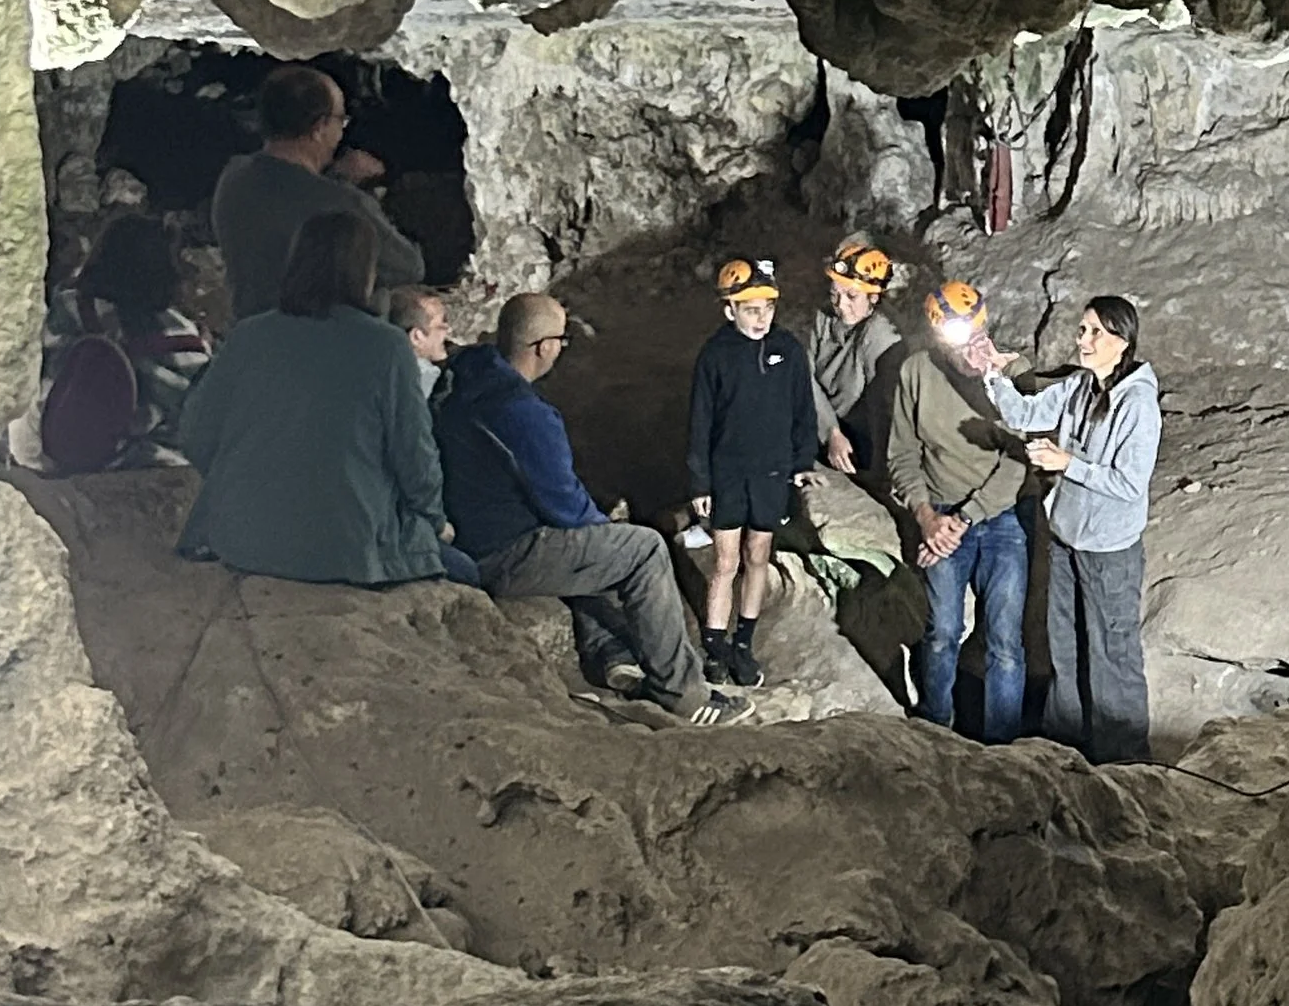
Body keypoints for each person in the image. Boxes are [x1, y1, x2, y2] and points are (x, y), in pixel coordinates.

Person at [440, 290, 748, 726]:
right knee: (640, 549)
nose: (562, 350)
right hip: (501, 553)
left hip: (470, 531)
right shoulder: (524, 412)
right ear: (543, 348)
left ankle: (611, 652)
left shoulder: (469, 377)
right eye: (561, 341)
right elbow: (566, 508)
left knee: (597, 541)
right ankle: (685, 694)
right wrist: (605, 527)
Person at [176, 212, 477, 589]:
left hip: (243, 540)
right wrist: (435, 521)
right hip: (347, 547)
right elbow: (415, 457)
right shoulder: (385, 347)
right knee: (466, 571)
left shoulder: (249, 336)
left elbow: (195, 436)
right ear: (365, 274)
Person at [974, 295, 1160, 763]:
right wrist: (993, 374)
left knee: (1112, 653)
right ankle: (1066, 750)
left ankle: (1124, 760)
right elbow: (1024, 415)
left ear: (1122, 341)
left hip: (1109, 550)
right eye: (1082, 330)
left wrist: (1067, 463)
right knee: (1066, 645)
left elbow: (1129, 483)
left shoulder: (1137, 403)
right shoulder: (1080, 386)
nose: (1084, 340)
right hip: (1067, 540)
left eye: (1096, 332)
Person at [887, 277, 1029, 741]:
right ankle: (936, 731)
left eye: (978, 336)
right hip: (941, 512)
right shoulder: (916, 372)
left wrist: (963, 521)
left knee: (1005, 642)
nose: (972, 350)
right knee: (943, 632)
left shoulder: (1010, 374)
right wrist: (927, 518)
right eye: (960, 342)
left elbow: (1018, 460)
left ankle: (1005, 747)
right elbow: (902, 454)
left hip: (998, 516)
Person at [687, 256, 817, 688]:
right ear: (730, 310)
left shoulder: (788, 350)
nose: (762, 318)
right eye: (751, 310)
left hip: (771, 471)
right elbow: (700, 422)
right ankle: (715, 645)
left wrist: (801, 462)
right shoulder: (715, 355)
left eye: (768, 308)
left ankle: (743, 643)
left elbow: (803, 410)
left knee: (758, 555)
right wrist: (700, 481)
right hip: (728, 472)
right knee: (725, 562)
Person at [212, 64, 425, 320]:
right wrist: (360, 192)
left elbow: (290, 195)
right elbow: (407, 267)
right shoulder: (342, 203)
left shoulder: (235, 177)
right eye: (340, 120)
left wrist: (335, 179)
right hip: (326, 338)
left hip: (252, 333)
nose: (341, 132)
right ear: (319, 127)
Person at [16, 211, 209, 471]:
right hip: (141, 466)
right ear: (167, 273)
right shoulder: (185, 342)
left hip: (48, 455)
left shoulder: (67, 308)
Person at [804, 238, 903, 481]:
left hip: (857, 432)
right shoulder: (824, 317)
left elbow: (882, 407)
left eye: (852, 296)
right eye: (835, 294)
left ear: (874, 297)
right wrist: (831, 431)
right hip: (821, 422)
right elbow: (803, 376)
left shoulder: (881, 335)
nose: (841, 305)